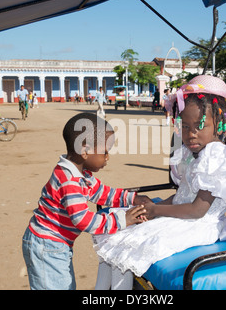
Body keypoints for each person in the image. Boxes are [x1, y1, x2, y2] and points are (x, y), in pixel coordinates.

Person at [93, 75, 226, 290]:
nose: (191, 134)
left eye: (200, 126)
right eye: (185, 127)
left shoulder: (219, 157)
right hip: (181, 218)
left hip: (199, 225)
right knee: (116, 236)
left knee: (128, 246)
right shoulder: (189, 154)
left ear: (220, 125)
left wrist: (156, 210)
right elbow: (181, 196)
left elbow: (197, 210)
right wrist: (149, 209)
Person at [22, 112, 147, 290]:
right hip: (47, 246)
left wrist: (132, 197)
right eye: (105, 152)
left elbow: (103, 193)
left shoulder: (81, 174)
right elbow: (83, 220)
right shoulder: (69, 180)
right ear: (85, 150)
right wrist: (122, 220)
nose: (107, 158)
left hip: (55, 245)